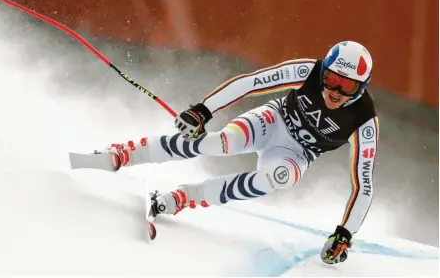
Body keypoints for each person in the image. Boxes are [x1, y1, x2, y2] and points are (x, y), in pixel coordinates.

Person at [105, 40, 378, 265]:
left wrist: (344, 234)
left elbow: (363, 184)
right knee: (221, 143)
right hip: (273, 122)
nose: (334, 90)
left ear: (361, 88)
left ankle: (183, 197)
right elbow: (253, 82)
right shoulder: (309, 71)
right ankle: (127, 153)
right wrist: (203, 110)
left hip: (296, 154)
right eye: (330, 79)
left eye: (347, 86)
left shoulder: (364, 120)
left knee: (279, 179)